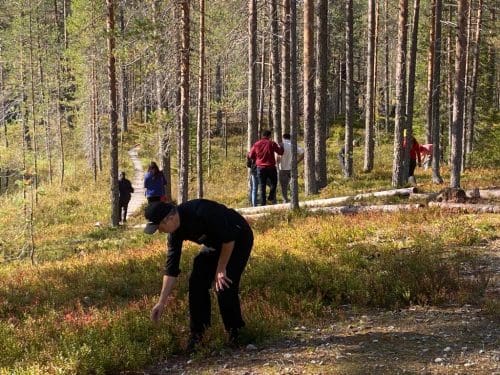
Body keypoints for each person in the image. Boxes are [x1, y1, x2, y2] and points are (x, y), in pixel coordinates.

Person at [144, 199, 253, 351]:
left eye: (160, 227)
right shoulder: (174, 233)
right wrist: (161, 302)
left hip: (238, 238)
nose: (160, 231)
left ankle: (237, 333)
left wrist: (221, 269)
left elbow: (228, 239)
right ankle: (198, 336)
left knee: (224, 285)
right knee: (196, 282)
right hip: (215, 244)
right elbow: (171, 268)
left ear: (169, 218)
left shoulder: (201, 211)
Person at [248, 130, 284, 205]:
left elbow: (251, 155)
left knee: (262, 185)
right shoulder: (271, 143)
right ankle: (271, 196)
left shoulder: (256, 144)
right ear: (269, 136)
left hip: (260, 168)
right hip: (271, 167)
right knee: (274, 182)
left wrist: (257, 157)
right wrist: (281, 146)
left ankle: (263, 203)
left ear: (262, 136)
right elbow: (280, 152)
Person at [276, 133, 304, 203]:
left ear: (283, 138)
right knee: (292, 183)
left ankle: (285, 199)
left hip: (281, 168)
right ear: (290, 138)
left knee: (283, 186)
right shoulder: (294, 145)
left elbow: (277, 157)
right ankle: (293, 198)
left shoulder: (280, 145)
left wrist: (277, 164)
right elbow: (303, 153)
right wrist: (297, 162)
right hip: (291, 168)